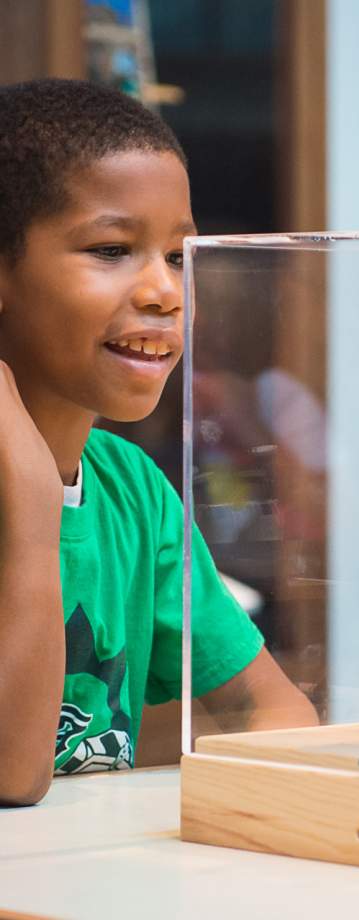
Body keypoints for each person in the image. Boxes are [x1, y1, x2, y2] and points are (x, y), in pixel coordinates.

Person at [0, 79, 317, 806]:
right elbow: (12, 781)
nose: (164, 291)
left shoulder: (132, 489)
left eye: (178, 256)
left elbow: (274, 709)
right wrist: (28, 506)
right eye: (112, 248)